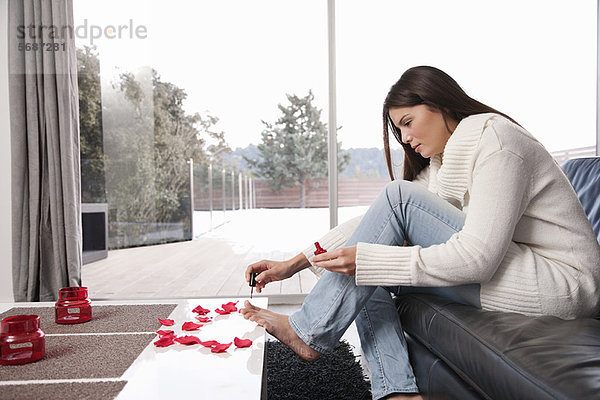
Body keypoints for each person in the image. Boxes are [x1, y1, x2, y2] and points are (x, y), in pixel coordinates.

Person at [240, 66, 600, 400]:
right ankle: (398, 390)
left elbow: (478, 258)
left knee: (381, 238)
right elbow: (374, 226)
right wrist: (293, 264)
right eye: (399, 130)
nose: (406, 137)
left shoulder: (499, 143)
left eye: (408, 122)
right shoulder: (444, 162)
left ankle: (309, 332)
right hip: (519, 274)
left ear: (440, 104)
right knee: (371, 261)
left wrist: (370, 258)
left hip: (562, 285)